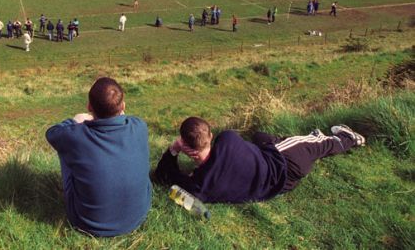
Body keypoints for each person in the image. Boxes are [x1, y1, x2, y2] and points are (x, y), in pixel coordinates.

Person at [154, 116, 365, 204]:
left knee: (261, 138)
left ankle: (282, 140)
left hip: (283, 185)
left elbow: (161, 175)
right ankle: (350, 138)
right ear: (210, 136)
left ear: (185, 146)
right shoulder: (227, 138)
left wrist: (173, 150)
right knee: (321, 142)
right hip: (285, 161)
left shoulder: (200, 187)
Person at [46, 77, 151, 237]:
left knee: (65, 147)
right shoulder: (140, 126)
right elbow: (126, 118)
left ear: (89, 107)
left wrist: (75, 121)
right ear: (123, 106)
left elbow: (52, 134)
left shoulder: (75, 136)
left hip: (87, 223)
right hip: (139, 215)